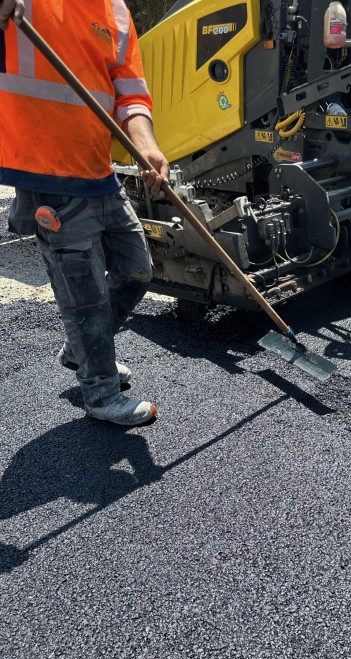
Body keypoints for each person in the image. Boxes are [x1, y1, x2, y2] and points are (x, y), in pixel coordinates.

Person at [0, 0, 170, 426]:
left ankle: (81, 350)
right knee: (86, 297)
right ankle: (101, 393)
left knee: (137, 271)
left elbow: (130, 92)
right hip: (46, 173)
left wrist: (147, 147)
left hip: (98, 170)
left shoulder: (115, 10)